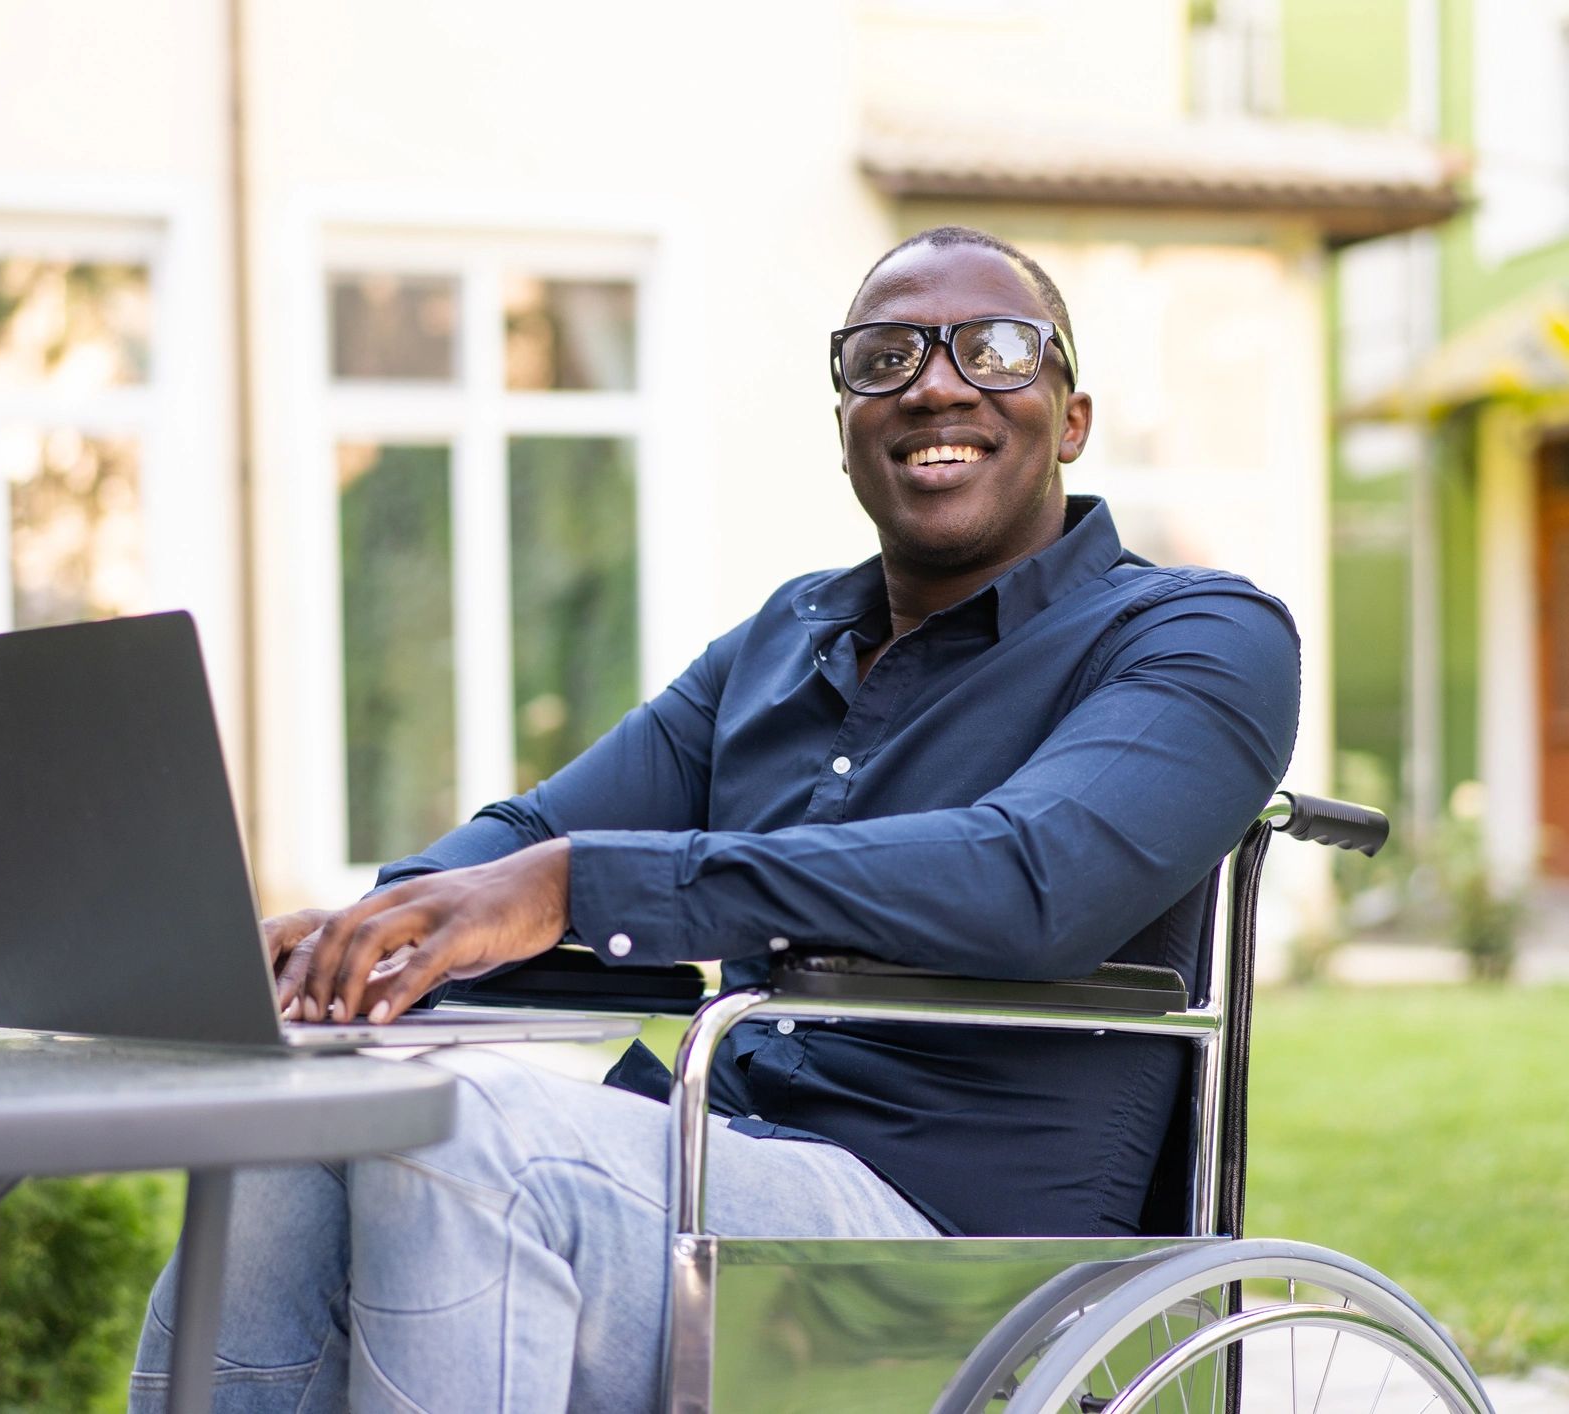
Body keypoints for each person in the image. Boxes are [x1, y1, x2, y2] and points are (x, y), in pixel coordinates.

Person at [128, 226, 1300, 1414]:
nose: (938, 382)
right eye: (885, 356)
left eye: (997, 351)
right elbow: (535, 828)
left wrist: (573, 885)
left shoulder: (1198, 636)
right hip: (714, 1163)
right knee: (307, 1108)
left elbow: (1035, 877)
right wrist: (373, 934)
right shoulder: (782, 644)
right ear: (844, 421)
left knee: (469, 1143)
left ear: (1074, 416)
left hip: (955, 1252)